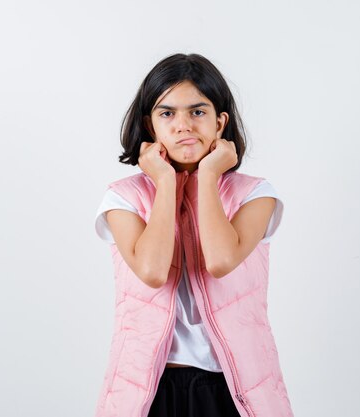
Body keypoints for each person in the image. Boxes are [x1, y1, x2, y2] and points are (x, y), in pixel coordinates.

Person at [93, 53, 294, 417]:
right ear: (150, 126)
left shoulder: (255, 195)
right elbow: (152, 271)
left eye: (197, 112)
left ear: (220, 123)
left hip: (233, 390)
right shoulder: (122, 198)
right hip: (149, 391)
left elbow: (220, 261)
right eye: (167, 113)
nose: (183, 125)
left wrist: (208, 176)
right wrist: (166, 181)